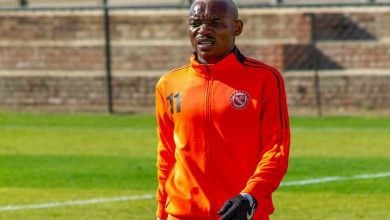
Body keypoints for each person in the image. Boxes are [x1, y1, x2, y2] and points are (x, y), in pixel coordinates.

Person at [154, 0, 290, 219]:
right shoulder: (169, 83)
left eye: (215, 23)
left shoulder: (264, 79)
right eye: (195, 23)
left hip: (242, 212)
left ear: (237, 28)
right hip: (182, 213)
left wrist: (250, 197)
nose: (203, 31)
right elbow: (166, 154)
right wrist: (161, 211)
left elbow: (276, 150)